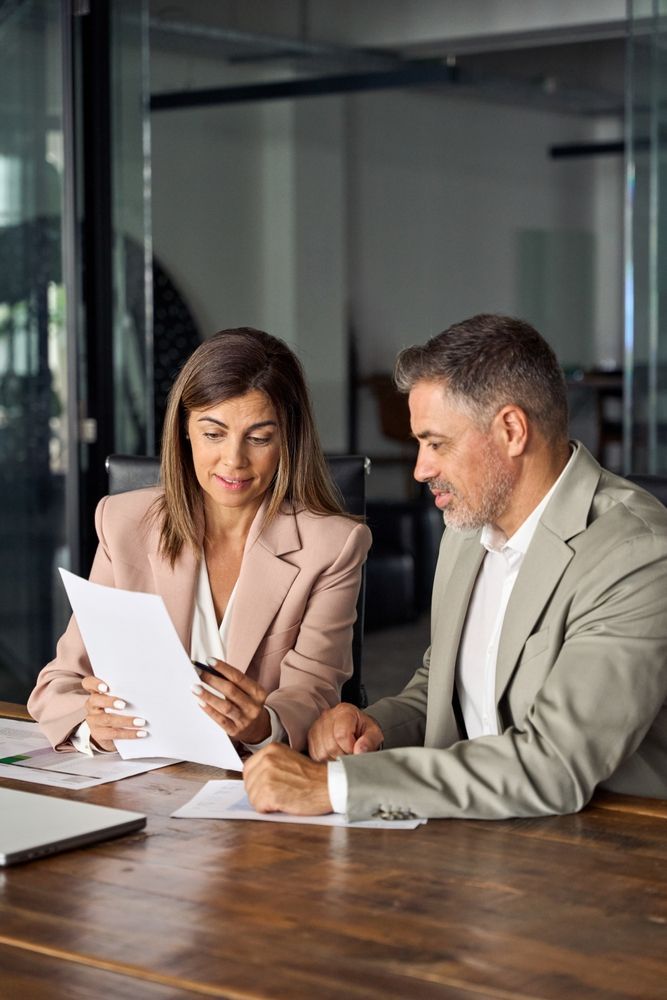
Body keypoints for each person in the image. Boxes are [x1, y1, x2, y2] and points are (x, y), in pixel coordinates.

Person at [243, 313, 667, 821]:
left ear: (511, 430)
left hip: (605, 845)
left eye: (436, 443)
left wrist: (336, 787)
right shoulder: (467, 528)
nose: (421, 468)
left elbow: (553, 765)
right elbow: (446, 687)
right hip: (475, 834)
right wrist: (376, 728)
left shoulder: (635, 554)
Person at [29, 327, 371, 756]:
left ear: (289, 438)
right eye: (213, 434)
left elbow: (315, 692)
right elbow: (58, 685)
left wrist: (265, 723)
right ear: (185, 431)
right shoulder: (122, 522)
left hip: (255, 780)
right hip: (137, 776)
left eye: (260, 438)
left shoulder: (334, 545)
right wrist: (92, 725)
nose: (234, 460)